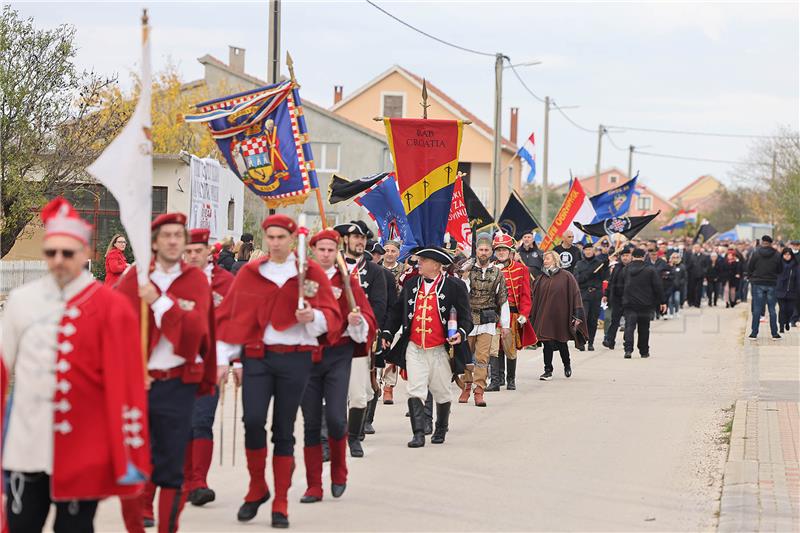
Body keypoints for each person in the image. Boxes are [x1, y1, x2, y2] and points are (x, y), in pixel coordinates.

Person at [2, 198, 149, 533]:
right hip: (27, 444)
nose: (58, 260)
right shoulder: (22, 301)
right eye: (51, 252)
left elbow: (127, 386)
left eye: (67, 253)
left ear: (86, 254)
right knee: (21, 524)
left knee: (76, 528)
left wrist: (130, 451)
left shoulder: (111, 306)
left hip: (83, 448)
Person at [214, 214, 342, 528]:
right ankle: (257, 486)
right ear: (264, 239)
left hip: (296, 359)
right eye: (270, 238)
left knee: (284, 430)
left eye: (280, 238)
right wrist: (224, 358)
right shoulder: (251, 272)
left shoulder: (308, 272)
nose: (275, 243)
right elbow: (233, 315)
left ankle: (281, 502)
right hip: (258, 356)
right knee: (253, 421)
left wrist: (311, 316)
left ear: (291, 238)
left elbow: (331, 315)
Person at [116, 213, 217, 533]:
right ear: (155, 242)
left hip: (177, 383)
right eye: (166, 235)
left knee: (172, 464)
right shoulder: (135, 278)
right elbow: (114, 327)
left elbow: (195, 334)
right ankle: (137, 521)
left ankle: (167, 528)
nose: (173, 241)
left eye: (178, 235)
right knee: (136, 462)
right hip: (137, 384)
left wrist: (160, 302)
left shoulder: (196, 280)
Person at [300, 229, 376, 503]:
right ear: (313, 251)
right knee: (310, 423)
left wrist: (359, 323)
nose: (326, 254)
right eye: (321, 249)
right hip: (308, 355)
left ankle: (339, 472)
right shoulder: (303, 280)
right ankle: (313, 485)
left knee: (334, 416)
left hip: (338, 354)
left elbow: (365, 313)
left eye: (331, 250)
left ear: (337, 251)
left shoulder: (347, 282)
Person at [381, 246, 472, 447]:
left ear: (436, 265)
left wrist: (461, 333)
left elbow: (466, 318)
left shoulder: (454, 286)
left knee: (442, 392)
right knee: (415, 389)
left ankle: (440, 428)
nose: (418, 263)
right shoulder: (412, 284)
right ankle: (418, 433)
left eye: (423, 260)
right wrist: (387, 332)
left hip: (441, 349)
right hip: (415, 347)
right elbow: (397, 312)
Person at [181, 228, 235, 507]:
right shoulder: (171, 279)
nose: (192, 256)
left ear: (207, 252)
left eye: (197, 251)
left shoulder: (223, 281)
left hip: (210, 363)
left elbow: (229, 323)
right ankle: (184, 479)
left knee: (201, 421)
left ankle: (198, 481)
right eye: (187, 251)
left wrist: (228, 360)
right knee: (180, 424)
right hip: (175, 365)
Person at [333, 221, 387, 457]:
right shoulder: (332, 266)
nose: (360, 241)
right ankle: (328, 439)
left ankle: (354, 436)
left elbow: (379, 304)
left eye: (363, 238)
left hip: (359, 338)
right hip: (332, 338)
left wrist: (369, 325)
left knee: (358, 391)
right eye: (355, 237)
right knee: (330, 391)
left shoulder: (375, 271)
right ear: (345, 240)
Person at [459, 233, 510, 407]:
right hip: (468, 321)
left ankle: (479, 390)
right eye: (480, 249)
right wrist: (464, 275)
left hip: (488, 320)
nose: (483, 252)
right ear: (476, 251)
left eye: (487, 250)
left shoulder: (497, 273)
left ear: (491, 252)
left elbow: (503, 299)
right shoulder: (467, 270)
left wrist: (506, 324)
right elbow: (461, 294)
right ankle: (466, 386)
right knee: (467, 357)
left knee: (482, 358)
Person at [487, 233, 537, 391]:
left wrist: (524, 314)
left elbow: (525, 295)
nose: (501, 252)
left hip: (513, 314)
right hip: (494, 315)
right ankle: (496, 380)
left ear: (510, 252)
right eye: (498, 249)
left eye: (504, 249)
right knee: (495, 347)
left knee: (509, 347)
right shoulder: (490, 269)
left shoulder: (521, 269)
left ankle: (510, 379)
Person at [530, 251, 587, 380]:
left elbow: (575, 294)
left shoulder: (567, 277)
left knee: (562, 343)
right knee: (546, 343)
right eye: (544, 259)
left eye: (548, 259)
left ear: (555, 260)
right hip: (544, 316)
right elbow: (534, 297)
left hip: (561, 316)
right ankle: (548, 369)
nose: (545, 261)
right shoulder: (541, 278)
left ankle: (567, 365)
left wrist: (577, 314)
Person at [622, 248, 667, 358]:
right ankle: (644, 351)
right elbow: (658, 286)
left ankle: (628, 350)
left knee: (629, 327)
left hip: (629, 303)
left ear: (633, 256)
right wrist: (662, 301)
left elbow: (620, 285)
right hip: (645, 304)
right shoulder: (650, 269)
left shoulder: (626, 269)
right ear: (644, 256)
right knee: (644, 328)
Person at [747, 235, 783, 340]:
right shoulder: (777, 254)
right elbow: (780, 269)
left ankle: (754, 333)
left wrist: (751, 277)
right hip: (772, 283)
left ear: (762, 242)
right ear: (771, 243)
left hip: (758, 283)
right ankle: (774, 334)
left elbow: (750, 267)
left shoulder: (756, 253)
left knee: (757, 309)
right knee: (772, 310)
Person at [573, 244, 607, 350]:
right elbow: (576, 278)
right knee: (583, 318)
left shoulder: (599, 263)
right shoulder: (579, 264)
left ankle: (591, 342)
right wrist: (588, 274)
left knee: (593, 320)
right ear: (583, 251)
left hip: (595, 294)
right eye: (586, 250)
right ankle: (581, 341)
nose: (588, 252)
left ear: (593, 251)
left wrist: (606, 265)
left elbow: (605, 278)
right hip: (583, 293)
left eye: (590, 249)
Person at [603, 247, 632, 348]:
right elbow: (611, 282)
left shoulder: (633, 267)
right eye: (623, 256)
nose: (625, 258)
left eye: (627, 256)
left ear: (631, 256)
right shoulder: (617, 267)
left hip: (630, 299)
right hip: (617, 298)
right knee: (614, 321)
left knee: (629, 322)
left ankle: (627, 341)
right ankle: (610, 340)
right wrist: (606, 294)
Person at [776, 247, 799, 333]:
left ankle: (787, 322)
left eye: (789, 254)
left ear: (791, 255)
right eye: (785, 254)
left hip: (792, 291)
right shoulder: (779, 264)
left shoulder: (795, 265)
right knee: (782, 309)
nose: (787, 256)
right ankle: (781, 326)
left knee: (790, 310)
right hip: (780, 291)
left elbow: (798, 278)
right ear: (783, 255)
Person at [665, 252, 687, 318]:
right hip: (670, 287)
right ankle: (671, 313)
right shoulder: (668, 266)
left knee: (677, 300)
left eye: (677, 257)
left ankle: (677, 311)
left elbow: (684, 277)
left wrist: (681, 283)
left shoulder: (682, 266)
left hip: (678, 287)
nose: (675, 259)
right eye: (673, 257)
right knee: (670, 300)